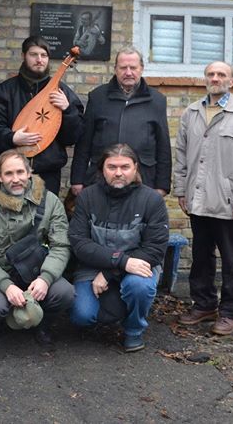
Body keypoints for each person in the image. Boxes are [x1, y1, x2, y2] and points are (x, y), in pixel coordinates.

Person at [174, 61, 233, 337]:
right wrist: (181, 190)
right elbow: (181, 155)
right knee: (201, 256)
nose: (215, 78)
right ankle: (204, 305)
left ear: (232, 81)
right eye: (210, 74)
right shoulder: (191, 113)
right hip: (198, 199)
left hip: (227, 202)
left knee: (231, 259)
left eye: (221, 74)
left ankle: (229, 312)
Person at [68, 144, 170, 352]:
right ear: (102, 169)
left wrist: (111, 271)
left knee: (139, 287)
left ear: (135, 168)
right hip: (93, 268)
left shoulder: (152, 200)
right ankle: (115, 311)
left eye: (125, 167)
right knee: (82, 315)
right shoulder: (87, 197)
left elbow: (155, 248)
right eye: (112, 167)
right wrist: (120, 261)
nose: (118, 173)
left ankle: (134, 330)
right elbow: (79, 243)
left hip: (138, 267)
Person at [0, 150, 74, 346]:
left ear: (29, 172)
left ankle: (44, 324)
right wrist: (6, 285)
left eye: (20, 172)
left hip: (38, 272)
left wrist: (46, 278)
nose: (16, 179)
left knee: (65, 293)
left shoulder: (51, 202)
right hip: (4, 273)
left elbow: (60, 245)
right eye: (8, 173)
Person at [0, 36, 84, 195]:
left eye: (44, 55)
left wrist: (68, 110)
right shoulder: (5, 91)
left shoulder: (62, 92)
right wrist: (12, 138)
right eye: (34, 54)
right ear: (23, 56)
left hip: (47, 175)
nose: (39, 60)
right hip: (10, 173)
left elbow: (72, 137)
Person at [70, 46, 171, 196]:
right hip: (101, 179)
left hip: (143, 179)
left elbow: (163, 147)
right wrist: (77, 179)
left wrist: (162, 185)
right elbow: (84, 142)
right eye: (123, 68)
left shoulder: (157, 100)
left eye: (133, 68)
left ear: (141, 69)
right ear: (115, 69)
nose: (128, 72)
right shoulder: (98, 97)